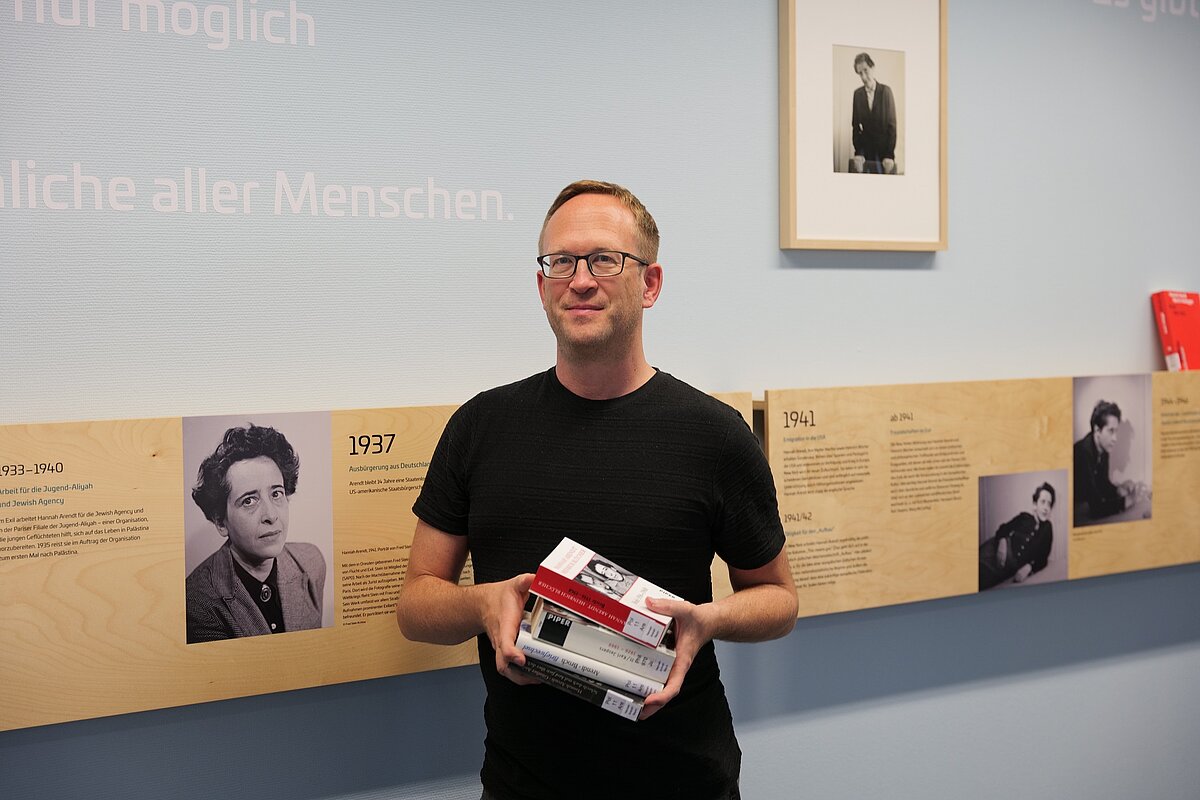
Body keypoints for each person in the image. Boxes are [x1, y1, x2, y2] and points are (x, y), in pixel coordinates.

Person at [396, 180, 798, 800]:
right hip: (523, 784)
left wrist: (708, 621)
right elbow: (416, 605)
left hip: (682, 780)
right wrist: (484, 605)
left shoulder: (714, 435)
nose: (580, 280)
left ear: (651, 283)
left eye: (605, 260)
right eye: (560, 262)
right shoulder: (481, 426)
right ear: (541, 284)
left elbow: (777, 599)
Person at [186, 424, 326, 643]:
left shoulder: (312, 562)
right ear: (220, 521)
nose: (271, 515)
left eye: (276, 493)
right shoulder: (197, 599)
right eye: (249, 500)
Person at [1073, 400, 1148, 525]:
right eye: (1111, 431)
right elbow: (1096, 508)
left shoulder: (1103, 449)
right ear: (1097, 430)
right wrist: (1128, 501)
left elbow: (1103, 484)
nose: (1115, 439)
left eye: (1116, 431)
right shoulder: (1082, 453)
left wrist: (1118, 489)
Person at [979, 482, 1056, 590]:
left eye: (1049, 504)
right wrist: (1002, 542)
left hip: (1009, 566)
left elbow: (1043, 558)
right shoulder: (1024, 517)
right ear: (1035, 505)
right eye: (1043, 502)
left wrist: (1029, 567)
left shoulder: (1047, 528)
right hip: (995, 547)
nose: (1046, 508)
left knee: (982, 582)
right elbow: (1003, 529)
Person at [850, 52, 897, 174]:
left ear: (873, 67)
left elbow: (892, 127)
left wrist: (889, 155)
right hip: (865, 155)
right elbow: (855, 127)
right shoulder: (857, 94)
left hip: (884, 156)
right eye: (860, 73)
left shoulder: (886, 91)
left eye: (866, 70)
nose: (864, 77)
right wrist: (858, 153)